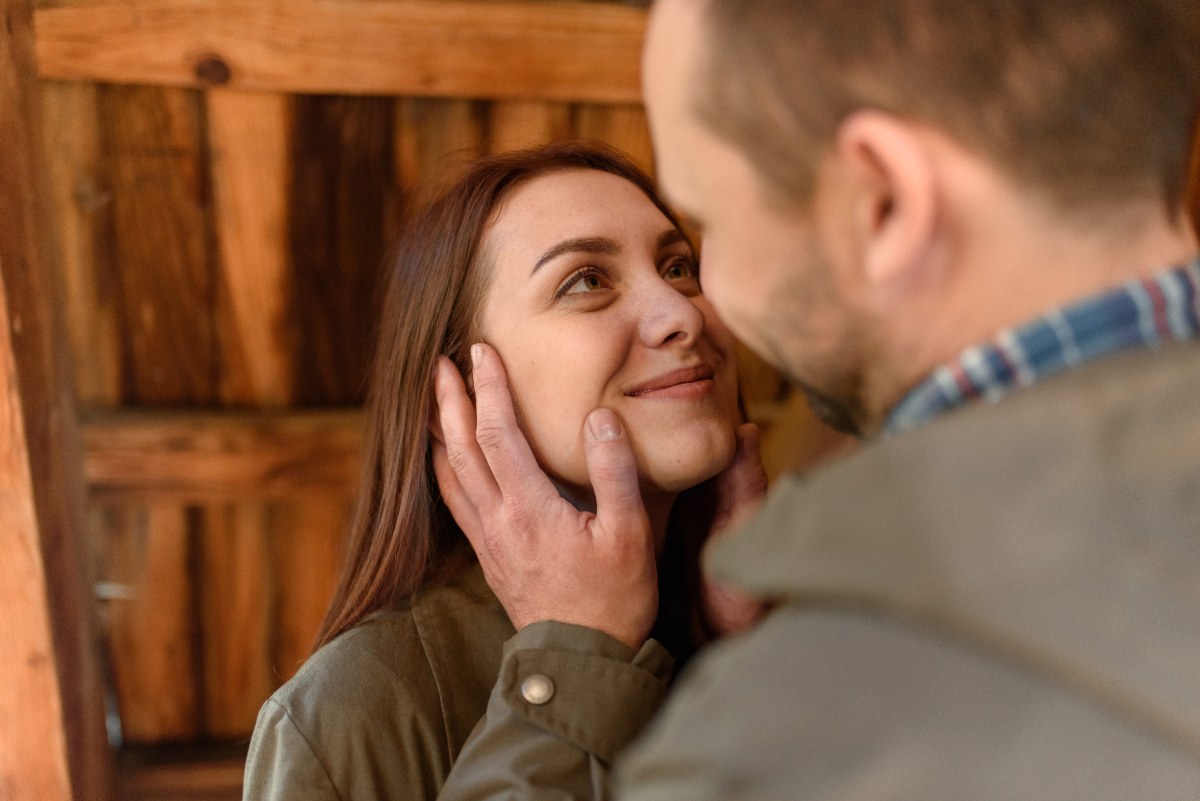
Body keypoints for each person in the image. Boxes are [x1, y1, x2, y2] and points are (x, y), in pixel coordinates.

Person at [432, 0, 1200, 798]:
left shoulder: (814, 728)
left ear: (885, 204)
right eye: (589, 281)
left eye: (705, 233)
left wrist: (572, 681)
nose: (699, 308)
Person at [241, 141, 764, 801]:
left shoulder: (776, 634)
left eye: (678, 265)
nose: (683, 314)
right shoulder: (348, 713)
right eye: (586, 281)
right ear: (454, 399)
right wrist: (573, 661)